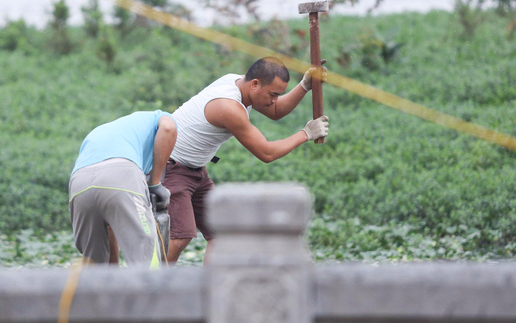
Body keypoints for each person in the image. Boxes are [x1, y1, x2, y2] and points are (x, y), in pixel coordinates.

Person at [162, 56, 329, 263]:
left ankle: (210, 288)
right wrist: (305, 134)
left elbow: (275, 112)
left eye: (278, 95)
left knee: (222, 233)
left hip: (196, 170)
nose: (274, 100)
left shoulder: (239, 83)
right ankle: (153, 286)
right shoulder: (228, 107)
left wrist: (304, 86)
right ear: (255, 84)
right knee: (181, 237)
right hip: (172, 166)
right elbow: (266, 153)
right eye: (273, 94)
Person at [69, 110, 177, 267]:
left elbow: (110, 210)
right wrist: (155, 183)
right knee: (145, 255)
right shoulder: (158, 116)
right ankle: (153, 290)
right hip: (121, 174)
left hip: (79, 183)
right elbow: (168, 128)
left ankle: (105, 291)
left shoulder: (104, 132)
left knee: (94, 266)